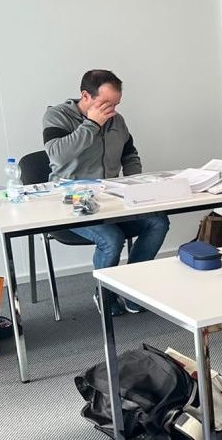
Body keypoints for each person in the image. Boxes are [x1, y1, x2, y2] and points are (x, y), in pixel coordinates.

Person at [43, 69, 169, 316]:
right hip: (71, 202)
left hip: (110, 199)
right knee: (111, 238)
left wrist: (134, 183)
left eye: (116, 104)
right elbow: (57, 155)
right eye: (106, 103)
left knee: (158, 222)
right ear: (85, 96)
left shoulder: (116, 121)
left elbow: (130, 154)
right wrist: (91, 124)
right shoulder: (57, 116)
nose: (112, 110)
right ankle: (104, 293)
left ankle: (132, 289)